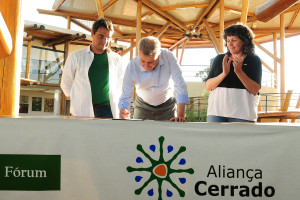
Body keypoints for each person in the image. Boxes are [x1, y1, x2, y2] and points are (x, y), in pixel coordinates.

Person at [61, 18, 124, 118]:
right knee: (82, 134)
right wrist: (78, 100)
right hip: (81, 112)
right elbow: (66, 83)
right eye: (101, 36)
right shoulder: (76, 57)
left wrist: (123, 107)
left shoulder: (117, 59)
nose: (105, 41)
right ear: (92, 34)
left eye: (108, 38)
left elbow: (122, 86)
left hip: (108, 111)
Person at [119, 36, 189, 122]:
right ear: (139, 53)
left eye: (150, 62)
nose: (146, 65)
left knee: (170, 135)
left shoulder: (169, 57)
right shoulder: (132, 65)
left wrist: (180, 115)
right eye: (142, 61)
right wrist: (124, 109)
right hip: (142, 107)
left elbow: (180, 84)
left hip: (168, 106)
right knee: (138, 134)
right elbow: (125, 94)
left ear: (158, 55)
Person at [206, 24, 262, 122]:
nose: (230, 44)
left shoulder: (254, 60)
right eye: (228, 41)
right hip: (216, 113)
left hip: (243, 115)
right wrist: (224, 74)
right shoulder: (219, 59)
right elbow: (208, 86)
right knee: (214, 138)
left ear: (244, 41)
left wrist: (239, 72)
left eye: (234, 40)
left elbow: (255, 89)